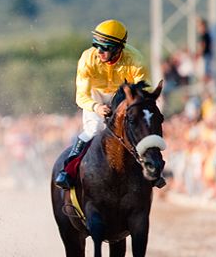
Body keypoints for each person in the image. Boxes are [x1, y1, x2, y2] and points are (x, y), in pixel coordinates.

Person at [53, 19, 164, 190]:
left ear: (119, 48)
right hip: (95, 94)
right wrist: (96, 107)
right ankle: (69, 170)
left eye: (105, 47)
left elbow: (143, 92)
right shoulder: (87, 59)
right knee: (95, 128)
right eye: (96, 45)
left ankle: (152, 167)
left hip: (122, 94)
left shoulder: (136, 60)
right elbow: (81, 96)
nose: (99, 51)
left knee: (138, 126)